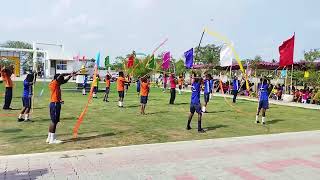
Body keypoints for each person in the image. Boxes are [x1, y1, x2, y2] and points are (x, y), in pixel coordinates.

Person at [47, 73, 74, 144]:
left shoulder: (56, 84)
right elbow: (61, 75)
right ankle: (52, 140)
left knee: (53, 121)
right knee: (54, 122)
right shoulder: (55, 83)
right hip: (55, 104)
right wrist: (69, 73)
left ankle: (49, 137)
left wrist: (71, 76)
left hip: (55, 103)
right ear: (58, 79)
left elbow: (65, 81)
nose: (62, 81)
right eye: (61, 80)